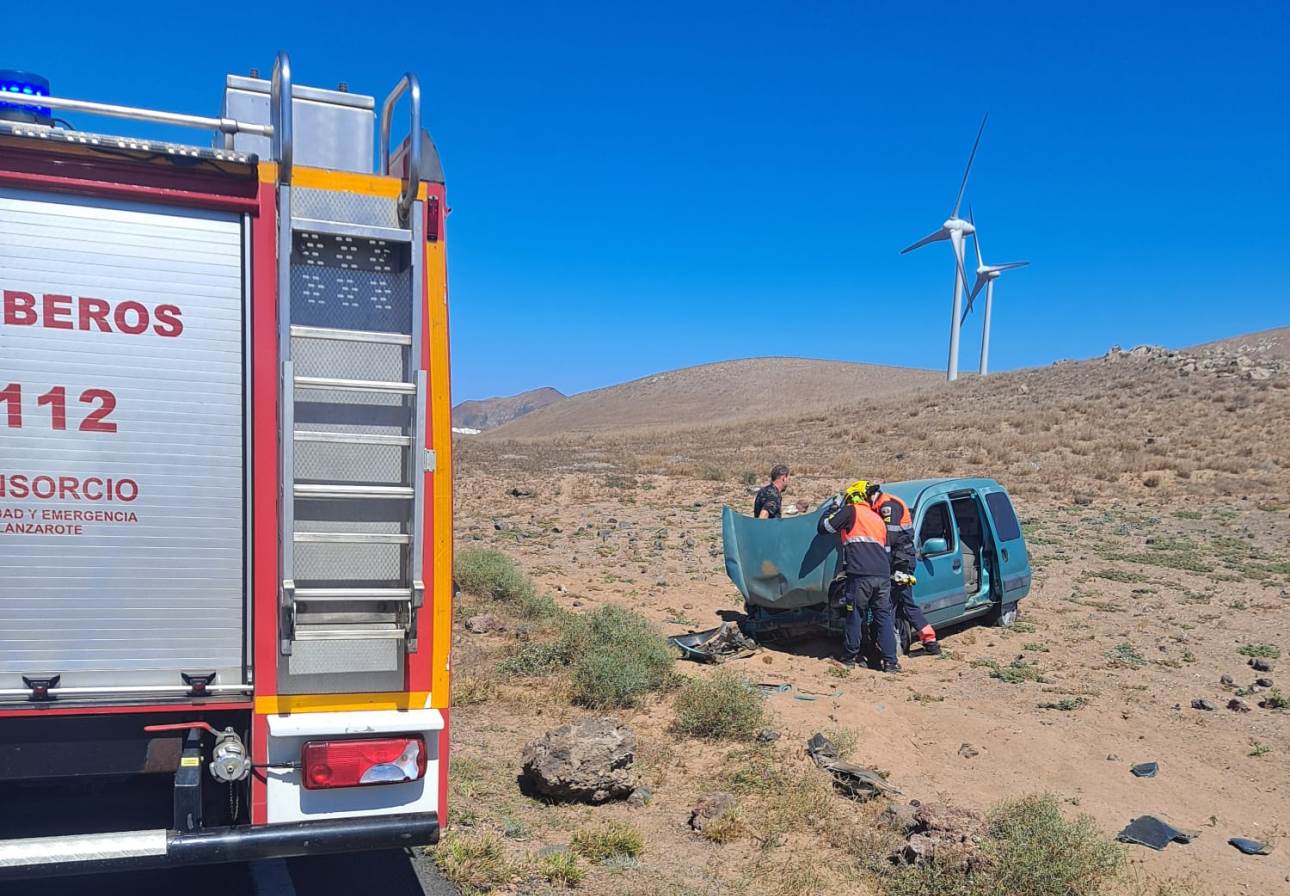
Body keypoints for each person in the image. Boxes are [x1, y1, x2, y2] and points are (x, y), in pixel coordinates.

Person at [817, 479, 900, 672]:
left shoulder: (851, 511)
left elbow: (824, 528)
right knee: (883, 617)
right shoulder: (877, 519)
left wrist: (832, 509)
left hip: (861, 574)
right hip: (882, 575)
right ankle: (891, 662)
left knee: (855, 614)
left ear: (852, 497)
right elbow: (886, 549)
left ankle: (849, 658)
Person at [868, 483, 940, 656]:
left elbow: (890, 538)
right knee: (906, 602)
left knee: (890, 603)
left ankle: (889, 648)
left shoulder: (888, 506)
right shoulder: (884, 504)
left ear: (871, 495)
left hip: (901, 561)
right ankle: (930, 642)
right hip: (901, 559)